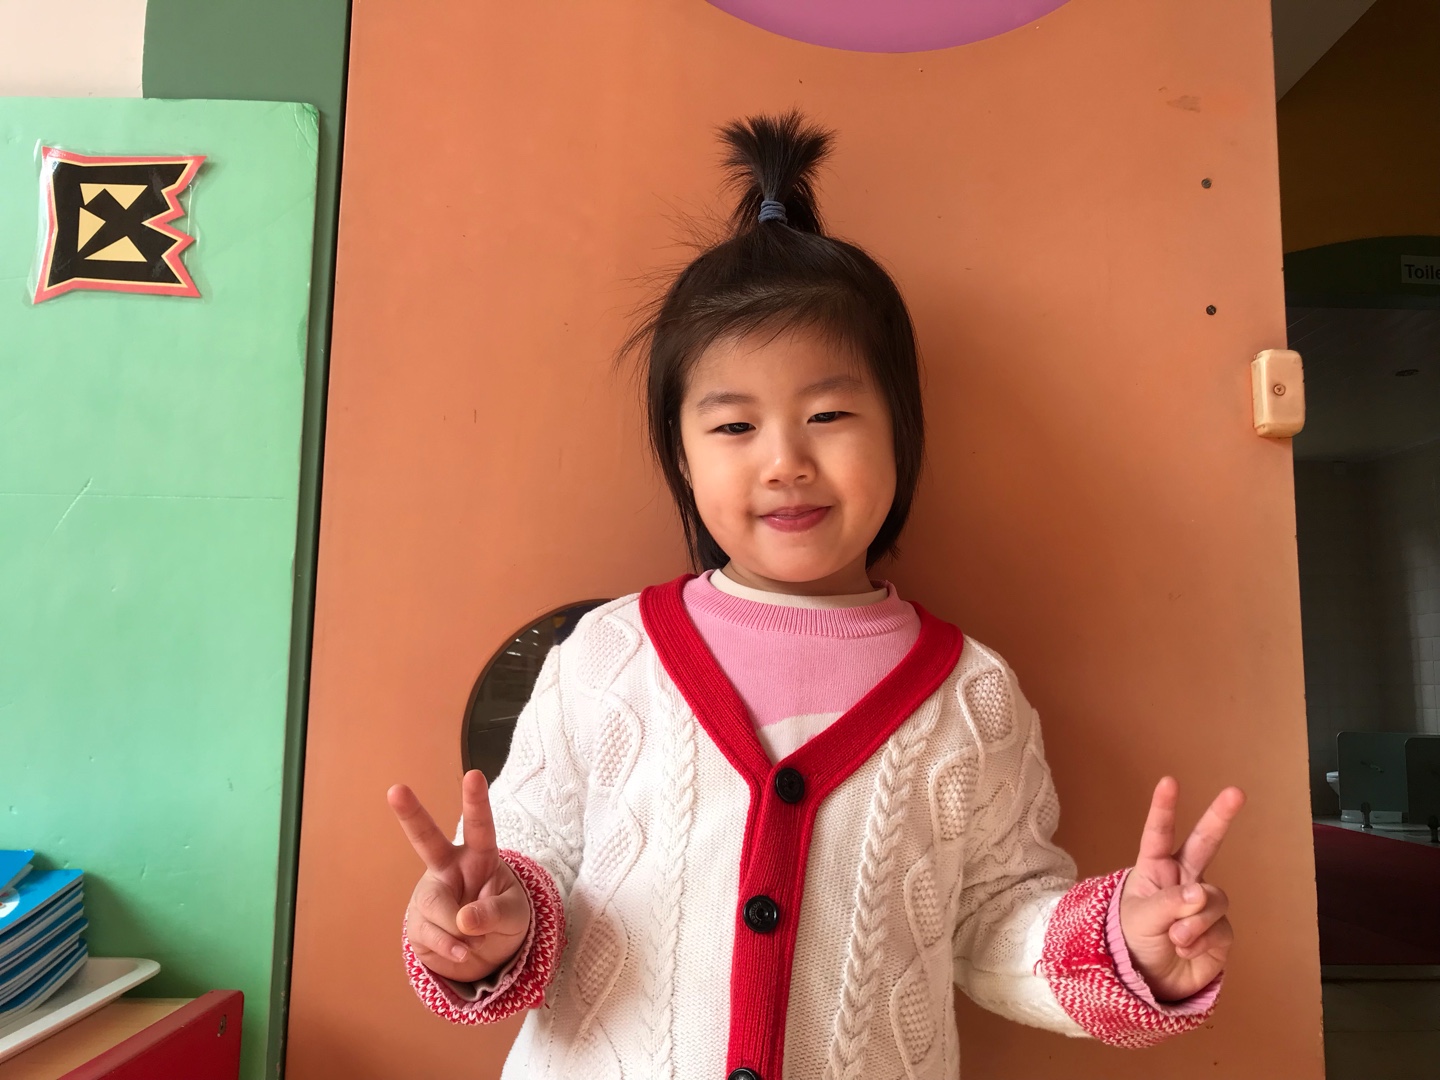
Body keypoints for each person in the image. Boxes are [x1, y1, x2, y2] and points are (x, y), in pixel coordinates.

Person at [386, 111, 1244, 1080]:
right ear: (681, 458)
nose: (785, 461)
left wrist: (1130, 947)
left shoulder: (973, 695)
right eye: (734, 426)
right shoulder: (606, 659)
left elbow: (995, 920)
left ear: (900, 436)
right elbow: (523, 867)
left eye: (829, 414)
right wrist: (481, 929)